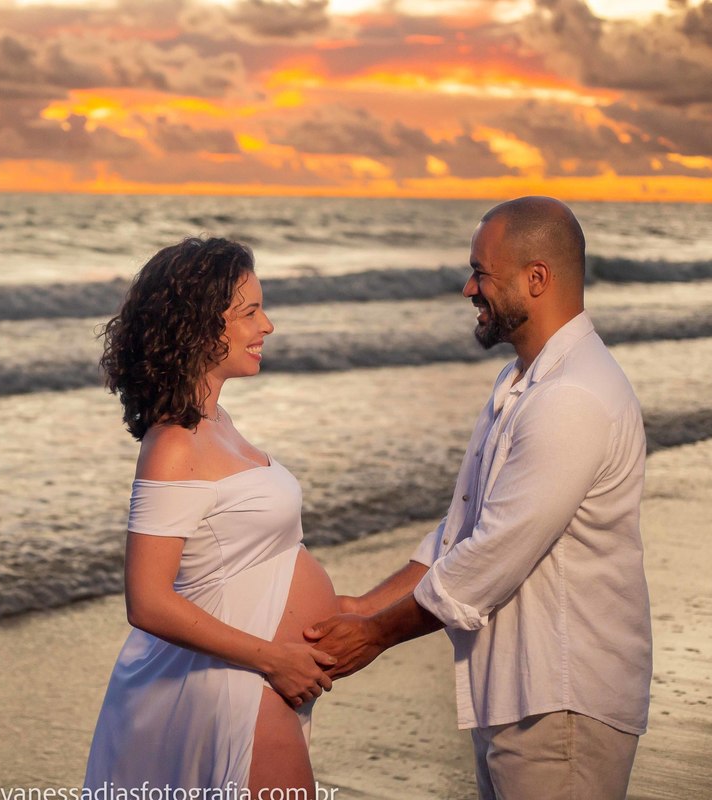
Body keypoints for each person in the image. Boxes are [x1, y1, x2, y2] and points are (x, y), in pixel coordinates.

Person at [305, 196, 652, 799]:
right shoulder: (520, 383)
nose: (468, 288)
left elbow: (490, 557)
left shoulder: (571, 397)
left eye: (481, 272)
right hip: (521, 694)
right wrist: (362, 606)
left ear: (535, 278)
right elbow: (459, 530)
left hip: (561, 702)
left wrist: (375, 635)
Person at [84, 237, 340, 795]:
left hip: (258, 678)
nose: (266, 325)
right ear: (199, 327)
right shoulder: (174, 444)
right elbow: (147, 601)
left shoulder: (216, 421)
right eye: (248, 312)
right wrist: (275, 659)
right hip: (230, 688)